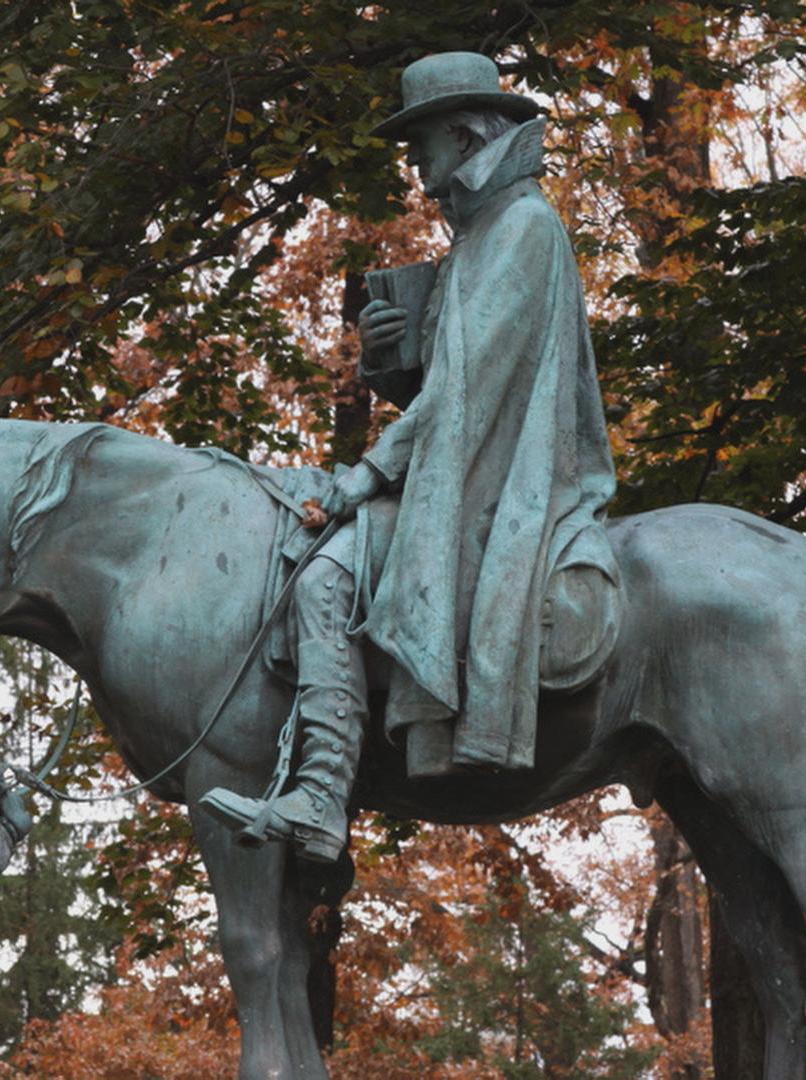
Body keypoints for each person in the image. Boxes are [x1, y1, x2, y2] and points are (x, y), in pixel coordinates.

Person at [200, 52, 620, 862]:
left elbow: (469, 398)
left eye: (421, 145)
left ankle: (321, 794)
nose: (416, 165)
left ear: (464, 137)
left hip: (506, 491)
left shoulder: (524, 229)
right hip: (470, 472)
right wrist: (386, 359)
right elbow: (453, 393)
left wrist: (368, 472)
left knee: (326, 574)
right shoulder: (486, 234)